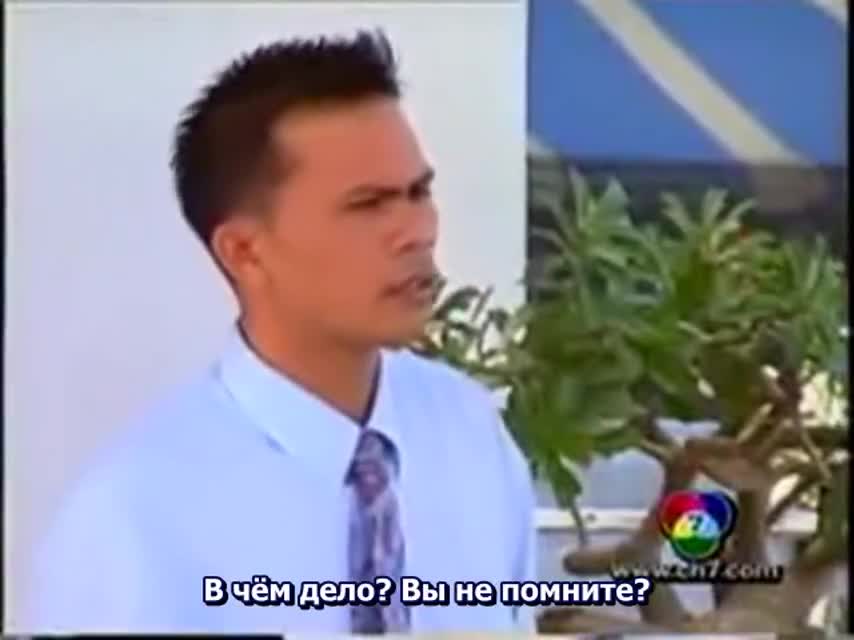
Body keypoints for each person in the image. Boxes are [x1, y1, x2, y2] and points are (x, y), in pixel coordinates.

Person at [25, 30, 536, 634]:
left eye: (418, 192)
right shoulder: (133, 517)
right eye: (368, 204)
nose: (416, 231)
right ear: (245, 251)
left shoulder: (470, 437)